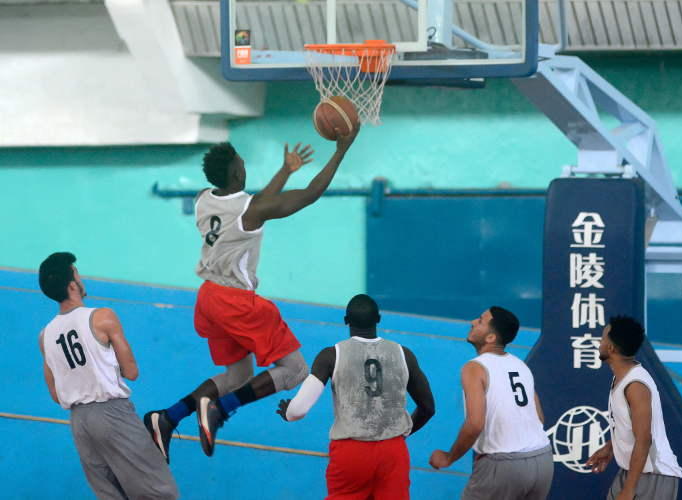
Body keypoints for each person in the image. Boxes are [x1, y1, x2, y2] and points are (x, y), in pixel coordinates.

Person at [145, 125, 360, 461]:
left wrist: (286, 170)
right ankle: (219, 409)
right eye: (242, 164)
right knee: (296, 370)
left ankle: (167, 418)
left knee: (238, 376)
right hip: (235, 302)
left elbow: (256, 204)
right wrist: (341, 150)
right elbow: (308, 195)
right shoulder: (251, 209)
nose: (245, 167)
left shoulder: (203, 198)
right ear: (238, 173)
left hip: (208, 298)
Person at [38, 252, 179, 500]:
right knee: (158, 494)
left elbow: (56, 395)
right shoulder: (102, 317)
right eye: (77, 275)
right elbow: (131, 372)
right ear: (73, 285)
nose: (81, 279)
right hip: (112, 414)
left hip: (79, 423)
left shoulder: (45, 336)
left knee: (110, 495)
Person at [276, 294, 435, 500]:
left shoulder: (331, 355)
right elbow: (428, 408)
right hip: (393, 451)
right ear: (378, 319)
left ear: (346, 321)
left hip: (351, 452)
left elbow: (298, 410)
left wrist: (287, 413)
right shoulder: (404, 354)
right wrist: (398, 434)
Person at [429, 307, 553, 500]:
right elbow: (539, 419)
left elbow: (474, 424)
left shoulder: (475, 367)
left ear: (490, 338)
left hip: (505, 467)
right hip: (543, 461)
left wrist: (448, 458)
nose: (473, 322)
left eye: (480, 321)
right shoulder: (520, 365)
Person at [585, 315, 682, 500]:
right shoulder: (622, 377)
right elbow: (630, 426)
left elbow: (644, 439)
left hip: (653, 476)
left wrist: (628, 490)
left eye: (602, 339)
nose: (599, 342)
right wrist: (610, 447)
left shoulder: (635, 385)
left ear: (610, 348)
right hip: (633, 471)